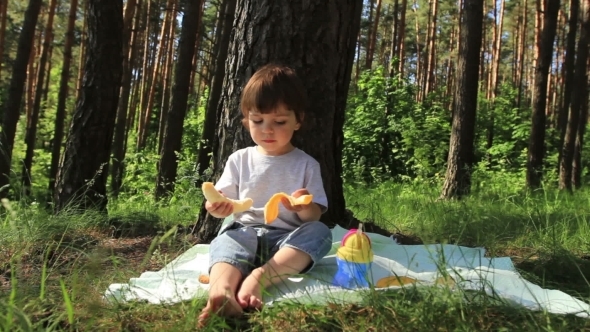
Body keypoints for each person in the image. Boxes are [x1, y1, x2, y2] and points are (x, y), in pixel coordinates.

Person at [198, 64, 333, 324]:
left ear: (298, 121)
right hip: (244, 230)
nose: (267, 129)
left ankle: (259, 278)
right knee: (226, 241)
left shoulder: (306, 164)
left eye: (279, 122)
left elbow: (313, 217)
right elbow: (222, 197)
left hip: (286, 240)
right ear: (246, 120)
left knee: (320, 233)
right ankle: (222, 292)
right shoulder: (240, 159)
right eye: (258, 121)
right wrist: (216, 207)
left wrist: (302, 206)